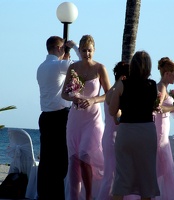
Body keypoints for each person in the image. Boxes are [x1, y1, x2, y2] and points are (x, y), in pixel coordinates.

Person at [61, 34, 111, 200]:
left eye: (89, 50)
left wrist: (93, 100)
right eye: (83, 50)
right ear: (80, 50)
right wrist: (73, 97)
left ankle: (89, 196)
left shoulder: (100, 68)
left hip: (93, 120)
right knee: (74, 160)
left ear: (94, 50)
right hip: (75, 119)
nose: (86, 53)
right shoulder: (73, 68)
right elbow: (64, 94)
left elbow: (109, 94)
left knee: (84, 155)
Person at [109, 50, 160, 200]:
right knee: (147, 177)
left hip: (127, 131)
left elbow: (112, 110)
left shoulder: (123, 85)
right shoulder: (152, 85)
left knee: (122, 176)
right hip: (146, 131)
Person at [36, 36, 80, 200]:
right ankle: (56, 195)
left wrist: (66, 54)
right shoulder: (58, 65)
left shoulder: (41, 67)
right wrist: (74, 46)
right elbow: (83, 64)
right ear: (59, 48)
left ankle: (44, 194)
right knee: (60, 160)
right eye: (63, 48)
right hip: (60, 116)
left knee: (47, 159)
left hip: (45, 116)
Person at [96, 61, 129, 200]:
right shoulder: (116, 92)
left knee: (113, 175)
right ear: (124, 77)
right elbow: (116, 117)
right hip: (112, 138)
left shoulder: (111, 91)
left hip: (110, 136)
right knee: (110, 176)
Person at [152, 57, 174, 200]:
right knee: (162, 167)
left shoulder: (164, 87)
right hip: (159, 132)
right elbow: (157, 108)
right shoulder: (161, 87)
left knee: (164, 169)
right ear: (167, 73)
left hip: (163, 130)